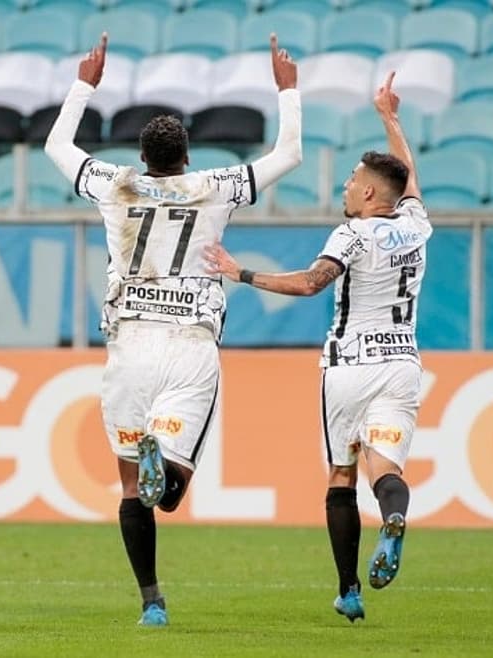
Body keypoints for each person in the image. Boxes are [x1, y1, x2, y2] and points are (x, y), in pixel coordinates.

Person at [45, 33, 302, 626]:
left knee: (132, 489)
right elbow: (287, 155)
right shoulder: (214, 187)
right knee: (172, 492)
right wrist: (287, 91)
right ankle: (169, 466)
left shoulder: (115, 184)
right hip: (188, 342)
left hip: (128, 343)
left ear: (142, 156)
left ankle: (151, 602)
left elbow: (58, 143)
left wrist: (86, 81)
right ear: (187, 156)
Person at [206, 72, 429, 624]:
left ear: (371, 194)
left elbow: (311, 283)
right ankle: (394, 517)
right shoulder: (416, 225)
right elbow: (413, 184)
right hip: (401, 363)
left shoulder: (349, 235)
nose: (347, 187)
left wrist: (242, 273)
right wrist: (390, 118)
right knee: (384, 470)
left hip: (349, 366)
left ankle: (349, 588)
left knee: (341, 475)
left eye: (354, 180)